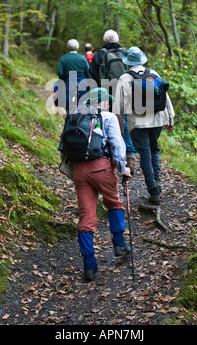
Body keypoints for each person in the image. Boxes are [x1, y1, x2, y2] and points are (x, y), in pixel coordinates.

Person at [72, 87, 131, 282]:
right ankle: (119, 244)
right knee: (114, 203)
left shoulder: (76, 116)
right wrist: (124, 168)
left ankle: (89, 266)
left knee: (86, 218)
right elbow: (116, 143)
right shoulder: (108, 117)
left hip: (79, 171)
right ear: (104, 102)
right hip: (102, 168)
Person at [114, 46, 175, 206]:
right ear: (142, 60)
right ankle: (157, 181)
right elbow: (166, 97)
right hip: (156, 120)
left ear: (128, 62)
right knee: (154, 149)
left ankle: (154, 192)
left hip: (137, 123)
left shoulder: (124, 78)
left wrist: (119, 127)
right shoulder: (153, 73)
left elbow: (119, 107)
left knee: (145, 154)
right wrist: (170, 118)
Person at [89, 30, 137, 174]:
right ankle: (130, 156)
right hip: (124, 93)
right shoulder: (126, 53)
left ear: (104, 41)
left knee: (104, 121)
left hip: (105, 94)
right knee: (125, 122)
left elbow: (91, 78)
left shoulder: (99, 55)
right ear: (118, 39)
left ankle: (103, 153)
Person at [56, 39, 90, 111]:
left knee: (69, 101)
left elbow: (60, 72)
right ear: (77, 48)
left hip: (68, 81)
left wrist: (63, 79)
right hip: (82, 82)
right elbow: (87, 71)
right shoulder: (82, 59)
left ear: (67, 48)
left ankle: (69, 118)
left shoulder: (63, 58)